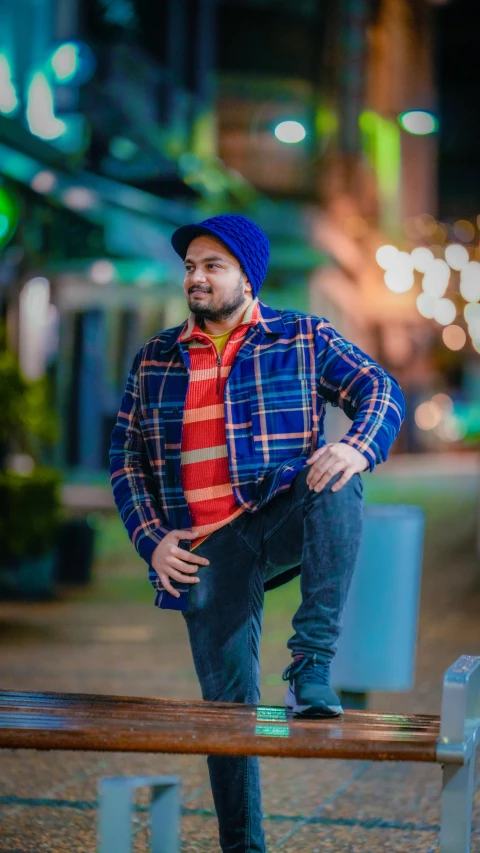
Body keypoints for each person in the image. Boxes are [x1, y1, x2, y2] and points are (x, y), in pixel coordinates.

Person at [110, 214, 405, 853]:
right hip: (201, 552)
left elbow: (379, 387)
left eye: (213, 266)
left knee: (337, 476)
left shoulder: (301, 336)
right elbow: (126, 457)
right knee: (227, 718)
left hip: (271, 516)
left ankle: (311, 664)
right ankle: (244, 848)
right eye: (190, 265)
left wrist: (359, 446)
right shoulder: (156, 358)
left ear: (248, 275)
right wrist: (152, 539)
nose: (196, 277)